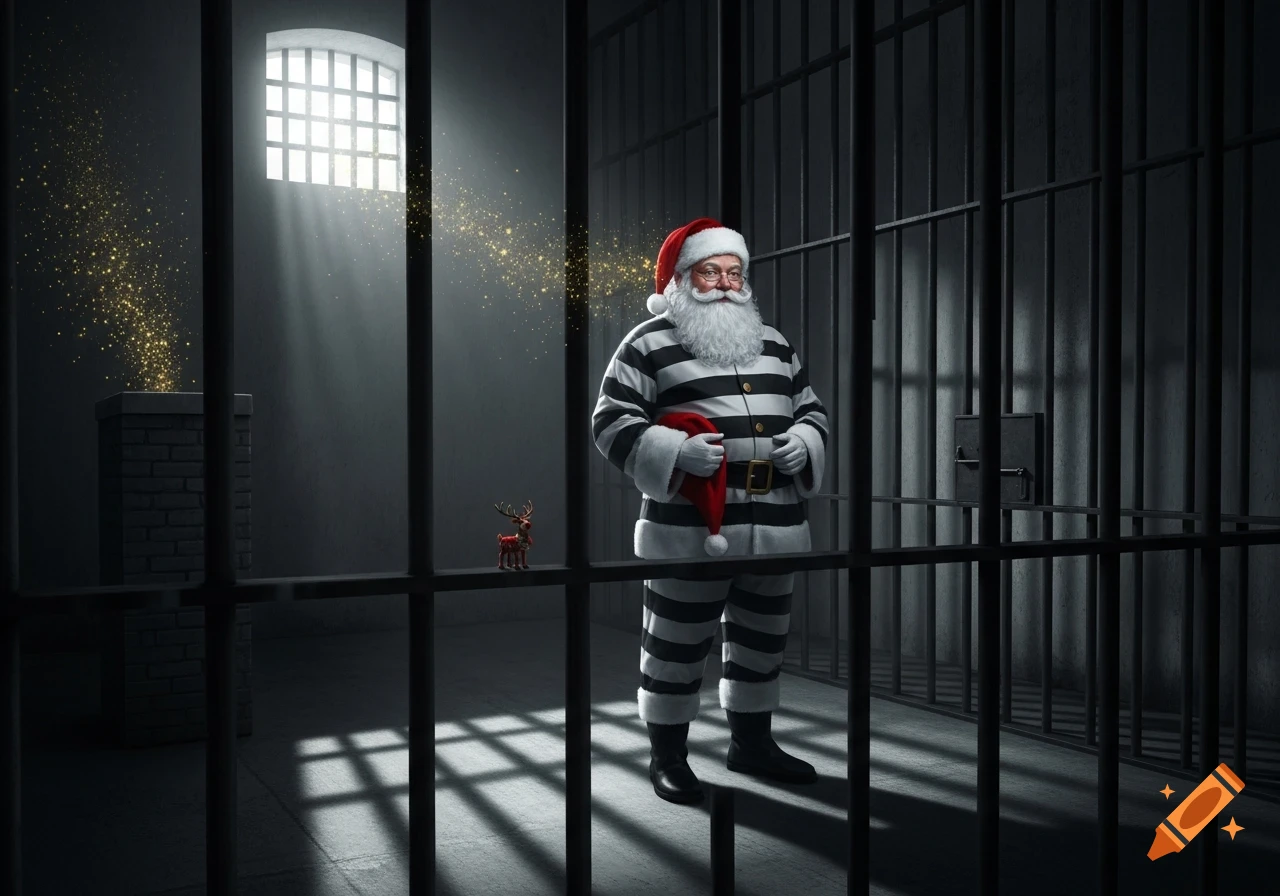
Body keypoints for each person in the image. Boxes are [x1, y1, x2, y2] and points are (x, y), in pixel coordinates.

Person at [592, 216, 829, 804]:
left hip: (774, 524)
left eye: (733, 272)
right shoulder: (646, 343)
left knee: (762, 640)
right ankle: (667, 754)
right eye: (710, 271)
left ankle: (752, 744)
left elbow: (811, 409)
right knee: (675, 643)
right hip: (687, 529)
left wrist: (807, 441)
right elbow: (610, 420)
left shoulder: (774, 342)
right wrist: (674, 452)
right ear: (680, 278)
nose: (724, 283)